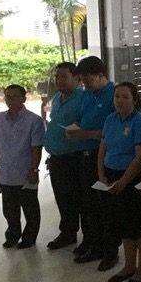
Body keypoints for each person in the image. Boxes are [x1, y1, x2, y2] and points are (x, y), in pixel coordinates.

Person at [98, 81, 141, 282]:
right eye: (116, 97)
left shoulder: (139, 122)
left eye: (125, 97)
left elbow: (140, 157)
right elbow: (103, 148)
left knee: (138, 226)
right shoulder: (110, 119)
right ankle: (129, 265)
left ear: (134, 100)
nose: (119, 101)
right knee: (122, 223)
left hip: (131, 179)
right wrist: (101, 174)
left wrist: (124, 181)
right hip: (111, 176)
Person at [70, 56, 118, 268]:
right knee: (89, 205)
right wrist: (75, 130)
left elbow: (114, 131)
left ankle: (110, 251)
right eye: (82, 81)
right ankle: (94, 245)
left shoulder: (114, 94)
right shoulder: (86, 95)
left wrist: (86, 134)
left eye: (88, 80)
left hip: (106, 158)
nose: (85, 85)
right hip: (86, 155)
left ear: (100, 75)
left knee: (106, 207)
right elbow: (82, 119)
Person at [42, 63, 92, 252]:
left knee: (81, 199)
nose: (59, 81)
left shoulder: (83, 98)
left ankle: (89, 238)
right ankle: (68, 232)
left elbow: (87, 124)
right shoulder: (56, 98)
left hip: (75, 156)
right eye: (57, 77)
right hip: (57, 157)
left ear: (77, 79)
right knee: (62, 197)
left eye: (64, 77)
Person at [0, 84, 44, 249]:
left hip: (26, 171)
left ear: (24, 98)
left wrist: (34, 169)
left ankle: (29, 238)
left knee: (30, 208)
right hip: (6, 172)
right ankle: (12, 235)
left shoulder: (34, 120)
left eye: (15, 96)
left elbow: (36, 148)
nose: (11, 100)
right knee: (9, 209)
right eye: (8, 97)